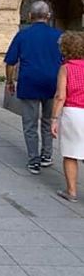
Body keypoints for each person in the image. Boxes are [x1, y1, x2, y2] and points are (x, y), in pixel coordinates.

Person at [4, 0, 62, 175]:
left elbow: (11, 62)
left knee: (30, 123)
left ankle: (33, 159)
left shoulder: (23, 35)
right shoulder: (58, 35)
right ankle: (47, 155)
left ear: (30, 16)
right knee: (48, 120)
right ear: (48, 16)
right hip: (53, 82)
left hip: (29, 81)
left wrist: (9, 81)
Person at [51, 32, 84, 201]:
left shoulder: (66, 68)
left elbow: (60, 96)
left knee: (71, 153)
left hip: (74, 113)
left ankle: (71, 192)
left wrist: (54, 118)